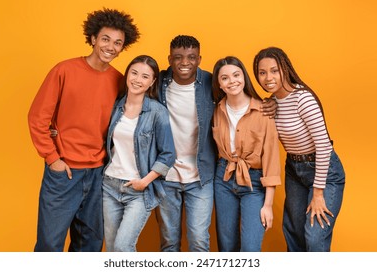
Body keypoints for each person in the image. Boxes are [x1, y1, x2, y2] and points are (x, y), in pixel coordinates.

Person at [27, 8, 140, 252]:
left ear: (123, 47)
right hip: (64, 172)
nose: (111, 46)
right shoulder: (64, 71)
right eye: (106, 39)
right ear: (93, 39)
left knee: (89, 244)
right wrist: (52, 157)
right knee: (49, 244)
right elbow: (37, 118)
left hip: (99, 173)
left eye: (118, 43)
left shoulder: (120, 81)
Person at [253, 46, 345, 252]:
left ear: (285, 69)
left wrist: (318, 194)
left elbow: (323, 145)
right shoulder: (274, 102)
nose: (268, 77)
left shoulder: (303, 98)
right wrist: (269, 105)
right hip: (294, 170)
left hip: (324, 171)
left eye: (274, 70)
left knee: (314, 236)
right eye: (262, 72)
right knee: (293, 232)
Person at [102, 55, 176, 252]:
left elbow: (168, 154)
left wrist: (144, 181)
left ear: (152, 82)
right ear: (127, 75)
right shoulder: (115, 107)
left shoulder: (157, 112)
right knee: (111, 249)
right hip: (109, 186)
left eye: (145, 76)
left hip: (138, 190)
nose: (137, 80)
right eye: (134, 73)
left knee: (122, 246)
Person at [211, 56, 281, 252]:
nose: (232, 81)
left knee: (250, 248)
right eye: (225, 78)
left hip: (254, 182)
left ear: (244, 77)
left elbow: (271, 159)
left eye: (236, 75)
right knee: (226, 246)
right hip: (223, 177)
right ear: (219, 84)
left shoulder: (263, 111)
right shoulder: (216, 110)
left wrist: (268, 205)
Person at [154, 35, 217, 252]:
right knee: (169, 241)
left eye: (191, 57)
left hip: (201, 175)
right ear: (169, 58)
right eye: (178, 57)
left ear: (199, 59)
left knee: (199, 240)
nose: (184, 63)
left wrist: (267, 105)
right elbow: (130, 93)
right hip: (166, 175)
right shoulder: (157, 82)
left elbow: (239, 97)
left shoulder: (212, 82)